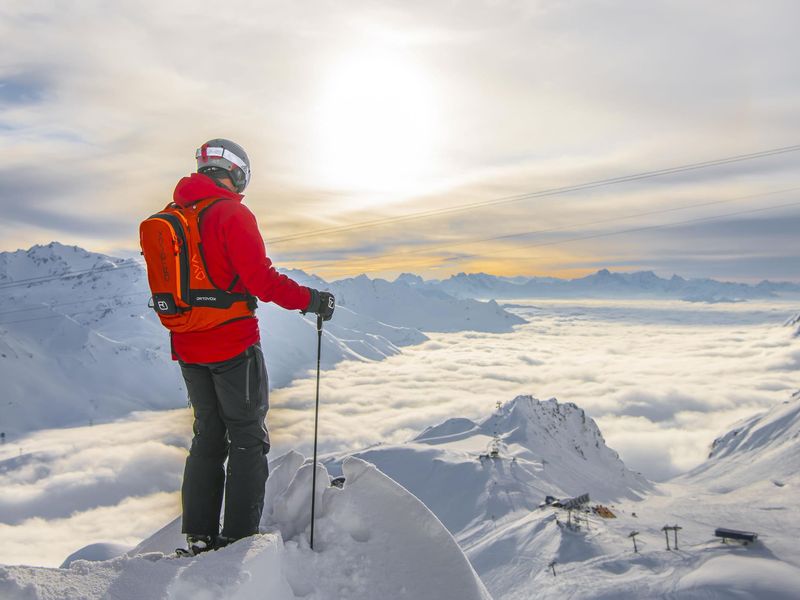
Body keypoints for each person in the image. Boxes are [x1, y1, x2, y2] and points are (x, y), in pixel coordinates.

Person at [168, 139, 334, 555]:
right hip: (232, 344)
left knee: (207, 436)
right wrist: (312, 300)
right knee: (247, 438)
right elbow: (261, 280)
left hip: (187, 345)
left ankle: (200, 535)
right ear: (237, 175)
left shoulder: (175, 215)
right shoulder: (230, 212)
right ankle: (239, 540)